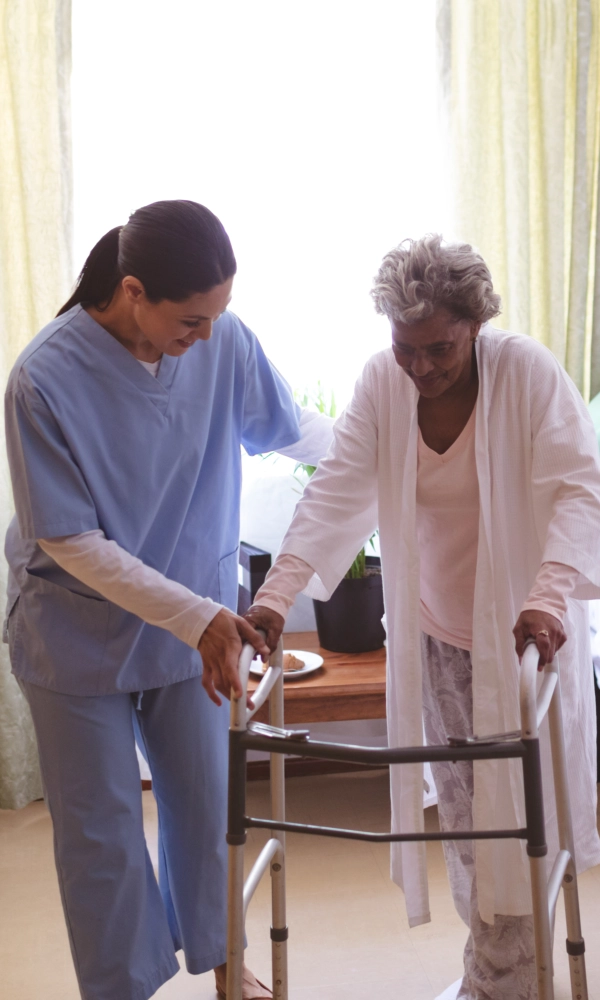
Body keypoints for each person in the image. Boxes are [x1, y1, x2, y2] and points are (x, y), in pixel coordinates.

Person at [244, 235, 600, 1000]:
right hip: (438, 635)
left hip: (526, 635)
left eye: (439, 347)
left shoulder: (526, 372)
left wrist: (549, 592)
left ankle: (517, 977)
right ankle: (496, 974)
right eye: (406, 348)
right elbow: (337, 489)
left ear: (476, 324)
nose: (422, 366)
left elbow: (579, 487)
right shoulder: (385, 382)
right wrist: (276, 596)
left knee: (523, 819)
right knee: (472, 819)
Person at [4, 199, 333, 1000]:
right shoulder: (41, 380)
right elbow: (71, 542)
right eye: (191, 319)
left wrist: (395, 448)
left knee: (206, 803)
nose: (207, 336)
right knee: (103, 836)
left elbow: (298, 433)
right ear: (133, 292)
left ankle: (228, 969)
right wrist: (198, 616)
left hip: (198, 626)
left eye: (218, 314)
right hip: (78, 634)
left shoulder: (221, 343)